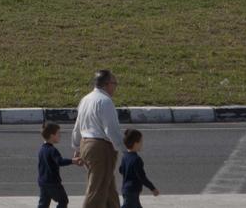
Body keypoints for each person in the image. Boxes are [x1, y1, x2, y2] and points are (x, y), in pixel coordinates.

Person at [72, 70, 129, 208]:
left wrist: (77, 148)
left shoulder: (85, 99)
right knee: (97, 189)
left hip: (86, 144)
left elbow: (78, 126)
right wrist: (126, 150)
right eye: (115, 83)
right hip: (100, 148)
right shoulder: (105, 101)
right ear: (107, 84)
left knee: (108, 186)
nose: (115, 87)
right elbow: (111, 130)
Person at [38, 122, 78, 208]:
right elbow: (60, 161)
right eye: (58, 133)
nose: (60, 135)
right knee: (63, 200)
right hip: (53, 183)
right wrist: (73, 161)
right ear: (52, 135)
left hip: (43, 182)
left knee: (43, 204)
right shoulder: (52, 150)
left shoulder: (42, 149)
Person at [118, 129, 158, 208]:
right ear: (135, 143)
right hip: (132, 190)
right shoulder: (136, 159)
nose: (142, 144)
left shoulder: (125, 156)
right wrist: (152, 188)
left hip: (126, 189)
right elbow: (142, 177)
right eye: (141, 142)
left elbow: (121, 170)